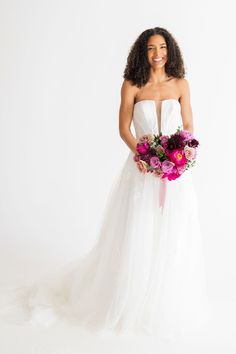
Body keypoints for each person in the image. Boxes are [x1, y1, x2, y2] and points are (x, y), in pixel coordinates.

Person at [0, 27, 211, 339]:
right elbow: (123, 126)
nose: (157, 54)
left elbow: (189, 123)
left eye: (162, 47)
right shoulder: (131, 84)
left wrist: (181, 152)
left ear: (171, 50)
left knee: (172, 229)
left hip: (175, 171)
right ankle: (129, 298)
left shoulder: (180, 84)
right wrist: (143, 154)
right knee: (138, 230)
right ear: (142, 52)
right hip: (141, 168)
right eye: (151, 48)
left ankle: (162, 298)